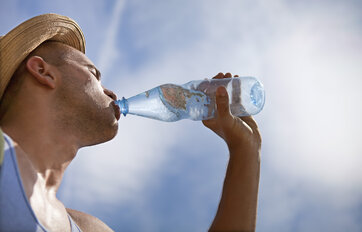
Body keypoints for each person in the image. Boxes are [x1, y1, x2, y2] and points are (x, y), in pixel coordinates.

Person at [0, 14, 261, 232]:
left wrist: (246, 151)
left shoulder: (88, 228)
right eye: (94, 74)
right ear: (43, 71)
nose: (111, 93)